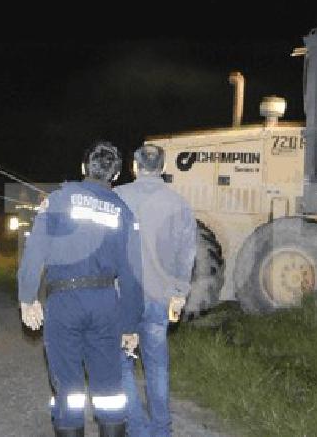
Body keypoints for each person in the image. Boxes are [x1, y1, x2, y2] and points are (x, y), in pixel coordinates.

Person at [17, 141, 144, 437]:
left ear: (83, 167)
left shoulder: (58, 200)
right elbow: (132, 274)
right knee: (110, 391)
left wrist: (27, 298)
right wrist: (130, 324)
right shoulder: (123, 212)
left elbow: (34, 252)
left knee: (68, 392)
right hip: (104, 304)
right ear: (115, 176)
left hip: (64, 302)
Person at [114, 144, 197, 437]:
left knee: (122, 365)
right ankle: (161, 429)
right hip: (160, 299)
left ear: (134, 166)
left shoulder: (118, 198)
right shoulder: (179, 204)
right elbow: (187, 254)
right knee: (157, 366)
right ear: (161, 167)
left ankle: (136, 427)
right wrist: (179, 293)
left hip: (123, 299)